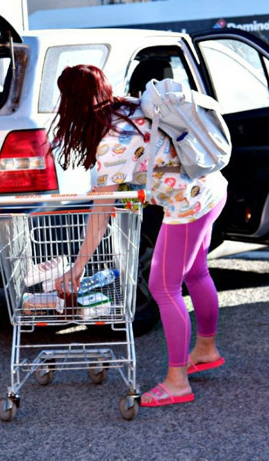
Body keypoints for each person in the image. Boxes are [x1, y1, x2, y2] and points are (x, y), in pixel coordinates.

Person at [50, 65, 228, 407]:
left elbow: (100, 214)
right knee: (196, 272)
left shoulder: (110, 143)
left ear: (70, 103)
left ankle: (178, 382)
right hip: (212, 187)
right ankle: (206, 348)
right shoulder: (130, 107)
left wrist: (78, 266)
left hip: (188, 204)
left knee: (163, 287)